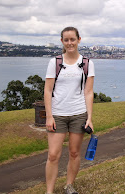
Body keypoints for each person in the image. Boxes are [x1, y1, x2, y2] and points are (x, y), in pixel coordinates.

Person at [44, 26, 95, 194]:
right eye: (66, 40)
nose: (70, 43)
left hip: (78, 114)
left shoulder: (87, 63)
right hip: (58, 114)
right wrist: (49, 116)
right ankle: (49, 191)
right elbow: (48, 90)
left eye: (72, 39)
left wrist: (89, 117)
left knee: (74, 153)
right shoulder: (55, 62)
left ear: (79, 40)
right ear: (62, 41)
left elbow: (88, 92)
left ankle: (69, 186)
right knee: (53, 155)